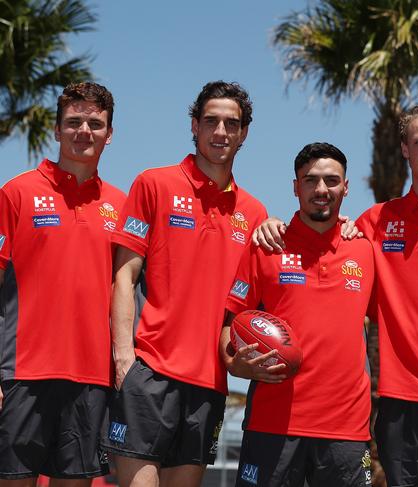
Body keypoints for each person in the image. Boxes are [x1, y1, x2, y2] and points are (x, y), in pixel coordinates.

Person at [254, 103, 418, 486]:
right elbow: (322, 241)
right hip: (398, 404)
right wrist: (272, 225)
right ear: (404, 149)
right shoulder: (373, 222)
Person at [101, 81, 267, 487]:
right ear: (194, 125)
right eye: (211, 120)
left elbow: (245, 307)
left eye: (232, 123)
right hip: (150, 372)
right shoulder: (154, 183)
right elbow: (124, 275)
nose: (221, 131)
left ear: (244, 133)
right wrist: (124, 358)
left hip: (210, 385)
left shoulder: (255, 212)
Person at [221, 142, 374, 487]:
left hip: (346, 428)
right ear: (295, 186)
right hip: (272, 423)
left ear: (346, 187)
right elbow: (231, 322)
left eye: (332, 180)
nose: (322, 189)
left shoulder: (366, 250)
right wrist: (234, 364)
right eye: (311, 180)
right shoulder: (266, 246)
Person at [0, 82, 124, 485]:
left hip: (92, 377)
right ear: (56, 130)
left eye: (95, 123)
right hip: (23, 373)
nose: (83, 131)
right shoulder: (16, 193)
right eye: (73, 122)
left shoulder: (121, 207)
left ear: (110, 133)